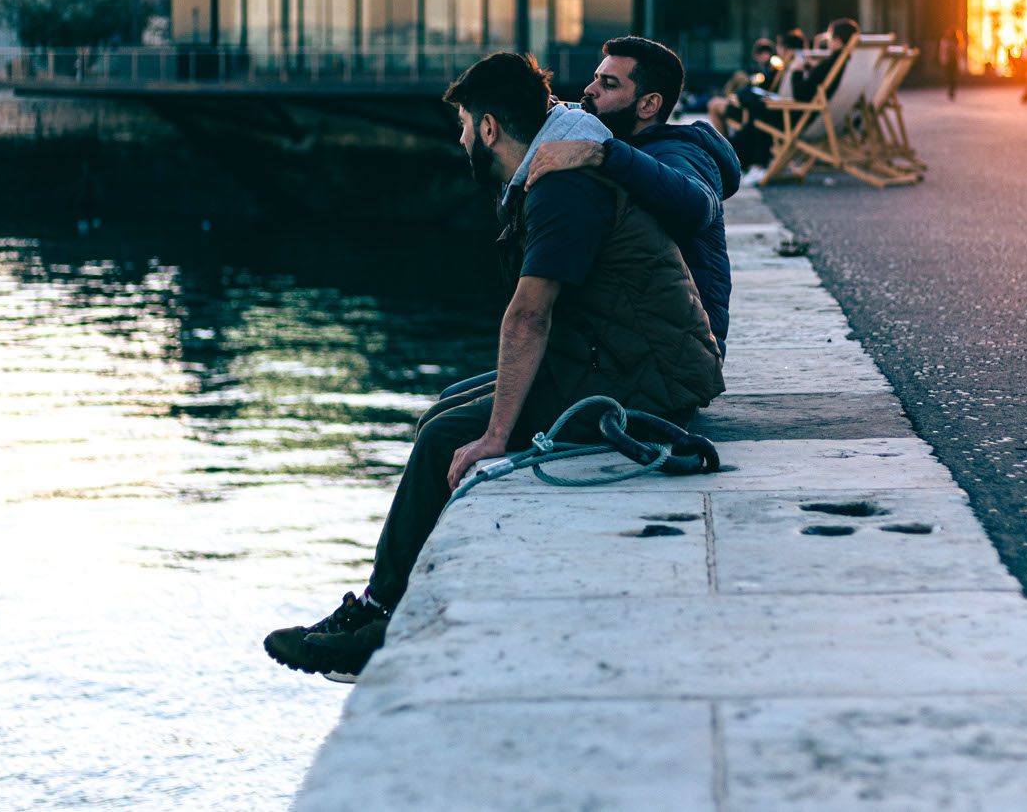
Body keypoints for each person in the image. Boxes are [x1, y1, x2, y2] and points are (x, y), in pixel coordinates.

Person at [262, 53, 723, 682]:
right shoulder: (550, 170)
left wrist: (497, 436)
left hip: (641, 381)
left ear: (487, 128)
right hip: (617, 358)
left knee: (442, 439)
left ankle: (377, 618)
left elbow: (528, 316)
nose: (457, 139)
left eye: (462, 125)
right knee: (447, 405)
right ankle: (392, 601)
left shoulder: (561, 187)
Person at [530, 36, 740, 358]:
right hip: (639, 344)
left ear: (647, 105)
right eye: (596, 78)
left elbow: (698, 204)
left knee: (472, 408)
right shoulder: (632, 147)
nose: (590, 89)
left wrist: (601, 154)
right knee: (458, 397)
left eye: (609, 84)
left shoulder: (678, 150)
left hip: (676, 358)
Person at [938, 28, 962, 100]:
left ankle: (951, 89)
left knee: (952, 76)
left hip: (952, 61)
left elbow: (959, 52)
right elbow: (943, 52)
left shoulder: (956, 42)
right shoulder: (946, 41)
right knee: (951, 76)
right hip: (950, 61)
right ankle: (951, 89)